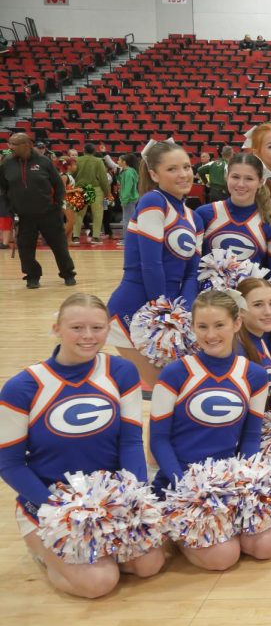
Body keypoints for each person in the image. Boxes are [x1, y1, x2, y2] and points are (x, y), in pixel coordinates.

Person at [0, 293, 165, 597]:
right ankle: (42, 550)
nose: (88, 337)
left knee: (149, 564)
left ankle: (95, 551)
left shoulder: (121, 371)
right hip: (50, 503)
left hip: (110, 500)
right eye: (76, 328)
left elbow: (129, 441)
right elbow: (9, 463)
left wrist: (134, 497)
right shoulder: (22, 387)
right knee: (98, 583)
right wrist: (56, 509)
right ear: (56, 329)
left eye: (97, 328)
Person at [150, 289, 271, 571]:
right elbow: (158, 440)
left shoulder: (253, 375)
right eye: (202, 327)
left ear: (236, 324)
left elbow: (251, 436)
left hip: (228, 479)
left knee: (265, 547)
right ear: (192, 327)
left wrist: (244, 482)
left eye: (219, 325)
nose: (210, 335)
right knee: (224, 557)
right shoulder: (174, 373)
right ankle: (175, 530)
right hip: (182, 482)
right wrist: (185, 489)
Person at [106, 139, 198, 389]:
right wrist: (163, 315)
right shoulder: (152, 202)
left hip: (170, 310)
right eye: (172, 169)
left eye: (187, 167)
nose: (183, 174)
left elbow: (191, 274)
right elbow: (151, 264)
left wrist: (183, 315)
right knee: (166, 390)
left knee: (179, 390)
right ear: (154, 174)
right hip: (136, 308)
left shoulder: (194, 217)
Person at [194, 153, 271, 298]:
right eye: (235, 177)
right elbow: (191, 267)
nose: (240, 184)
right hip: (209, 302)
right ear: (227, 177)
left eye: (249, 179)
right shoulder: (205, 214)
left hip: (249, 306)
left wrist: (262, 300)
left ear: (261, 181)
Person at [0, 133, 76, 288]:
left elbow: (58, 185)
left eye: (14, 144)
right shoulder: (6, 163)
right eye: (10, 143)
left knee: (59, 245)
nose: (10, 147)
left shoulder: (44, 161)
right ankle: (32, 276)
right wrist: (9, 209)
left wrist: (57, 205)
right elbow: (2, 188)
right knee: (25, 248)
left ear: (26, 144)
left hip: (49, 213)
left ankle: (67, 273)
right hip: (24, 215)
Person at [72, 143, 110, 244]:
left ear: (83, 150)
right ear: (94, 151)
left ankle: (75, 236)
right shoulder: (98, 161)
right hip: (95, 188)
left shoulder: (77, 160)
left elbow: (72, 174)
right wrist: (107, 192)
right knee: (97, 214)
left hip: (80, 188)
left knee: (78, 214)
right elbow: (103, 178)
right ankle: (96, 237)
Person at [116, 153, 140, 243]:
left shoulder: (129, 172)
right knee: (129, 219)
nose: (117, 161)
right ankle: (129, 238)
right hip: (130, 198)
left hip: (129, 199)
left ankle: (127, 239)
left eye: (119, 160)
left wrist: (124, 199)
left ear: (124, 162)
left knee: (127, 219)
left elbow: (127, 187)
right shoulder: (127, 171)